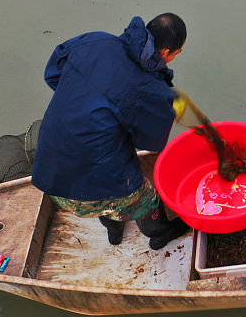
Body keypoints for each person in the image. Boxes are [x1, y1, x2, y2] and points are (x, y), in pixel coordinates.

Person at [33, 13, 192, 249]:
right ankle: (159, 234)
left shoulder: (95, 41)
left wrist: (90, 101)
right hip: (87, 192)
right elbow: (153, 142)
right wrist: (168, 109)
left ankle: (114, 231)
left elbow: (53, 74)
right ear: (167, 52)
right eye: (178, 53)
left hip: (48, 173)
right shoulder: (153, 91)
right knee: (146, 197)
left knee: (103, 176)